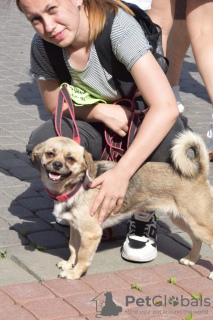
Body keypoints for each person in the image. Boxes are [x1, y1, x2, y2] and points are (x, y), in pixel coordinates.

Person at [15, 0, 186, 263]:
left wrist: (122, 173)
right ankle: (85, 205)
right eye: (35, 19)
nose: (48, 27)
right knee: (42, 141)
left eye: (52, 9)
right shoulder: (43, 46)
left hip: (138, 119)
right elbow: (53, 104)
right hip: (98, 125)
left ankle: (143, 213)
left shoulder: (117, 28)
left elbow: (165, 107)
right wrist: (100, 112)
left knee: (170, 135)